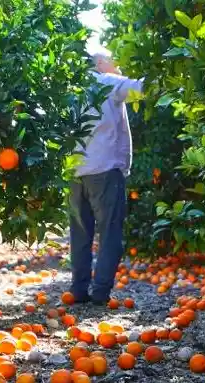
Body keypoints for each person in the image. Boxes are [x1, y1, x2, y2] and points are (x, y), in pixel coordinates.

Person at [67, 48, 143, 304]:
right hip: (104, 172)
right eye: (114, 61)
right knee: (110, 233)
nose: (118, 66)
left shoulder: (69, 88)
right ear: (100, 64)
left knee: (80, 234)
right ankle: (99, 293)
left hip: (75, 173)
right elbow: (141, 88)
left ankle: (78, 290)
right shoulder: (106, 82)